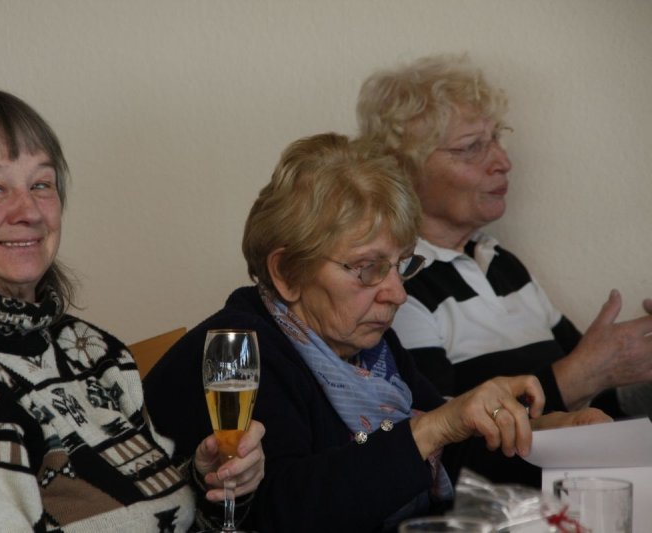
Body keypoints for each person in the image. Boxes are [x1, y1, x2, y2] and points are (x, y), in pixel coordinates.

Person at [143, 133, 608, 533]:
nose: (397, 294)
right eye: (367, 268)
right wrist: (433, 427)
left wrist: (550, 436)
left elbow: (448, 460)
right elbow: (280, 514)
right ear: (286, 272)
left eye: (401, 264)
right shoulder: (236, 353)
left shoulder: (368, 349)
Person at [0, 87, 264, 532]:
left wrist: (208, 485)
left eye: (41, 185)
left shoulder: (90, 349)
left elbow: (156, 516)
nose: (29, 210)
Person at [356, 53, 652, 419]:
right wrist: (583, 374)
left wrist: (628, 368)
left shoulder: (501, 264)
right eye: (471, 147)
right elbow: (437, 435)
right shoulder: (399, 285)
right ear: (403, 169)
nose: (503, 162)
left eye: (496, 138)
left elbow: (597, 405)